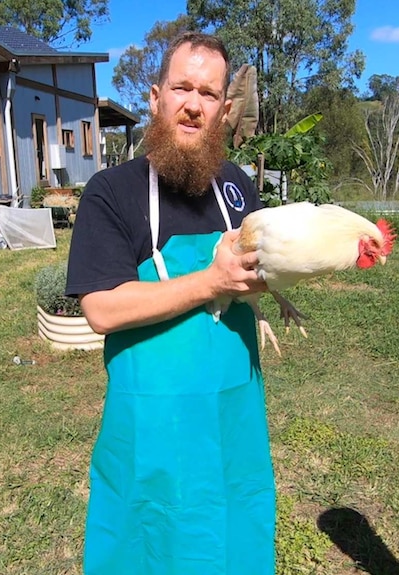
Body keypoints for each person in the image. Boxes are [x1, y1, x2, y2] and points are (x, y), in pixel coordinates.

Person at [66, 32, 276, 575]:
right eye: (181, 88)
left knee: (230, 536)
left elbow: (253, 279)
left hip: (232, 422)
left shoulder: (239, 190)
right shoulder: (112, 192)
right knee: (149, 543)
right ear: (156, 97)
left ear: (225, 110)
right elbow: (103, 310)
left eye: (207, 94)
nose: (192, 104)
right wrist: (211, 282)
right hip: (154, 429)